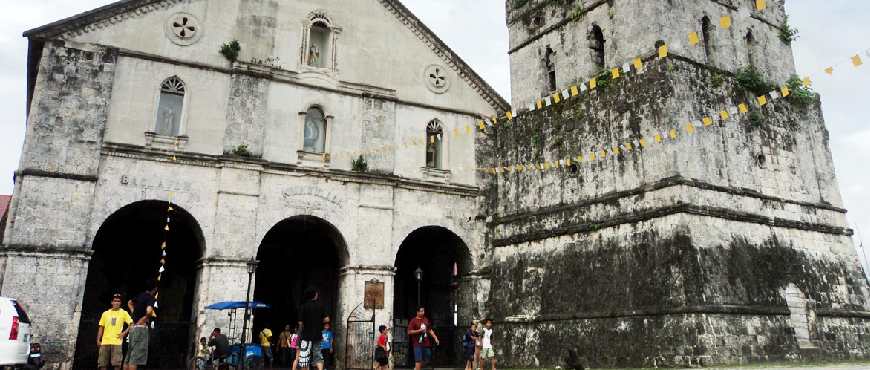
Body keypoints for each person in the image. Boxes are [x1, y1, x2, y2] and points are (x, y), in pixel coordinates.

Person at [123, 285, 157, 370]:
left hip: (133, 327)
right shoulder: (150, 298)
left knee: (129, 355)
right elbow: (149, 311)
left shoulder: (140, 295)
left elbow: (129, 302)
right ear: (154, 289)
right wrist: (144, 318)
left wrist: (134, 312)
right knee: (134, 358)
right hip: (141, 328)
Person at [97, 293, 133, 370]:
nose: (116, 302)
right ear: (111, 302)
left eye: (118, 301)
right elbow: (101, 327)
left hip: (117, 342)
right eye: (115, 301)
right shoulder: (105, 313)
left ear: (120, 303)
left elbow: (132, 324)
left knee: (117, 365)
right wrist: (98, 340)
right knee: (102, 364)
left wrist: (124, 333)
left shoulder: (123, 313)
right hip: (105, 342)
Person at [297, 287, 327, 370]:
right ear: (315, 295)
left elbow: (300, 323)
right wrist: (320, 322)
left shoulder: (303, 307)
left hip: (306, 335)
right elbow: (327, 319)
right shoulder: (321, 306)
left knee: (304, 356)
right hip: (317, 334)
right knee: (318, 355)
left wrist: (300, 335)